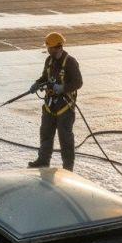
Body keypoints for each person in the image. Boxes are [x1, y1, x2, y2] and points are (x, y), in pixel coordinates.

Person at [27, 32, 83, 171]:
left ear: (57, 47)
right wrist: (37, 83)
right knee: (45, 133)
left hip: (65, 107)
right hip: (50, 105)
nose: (48, 50)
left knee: (65, 138)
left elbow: (78, 82)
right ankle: (43, 160)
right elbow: (45, 77)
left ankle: (68, 167)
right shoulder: (49, 60)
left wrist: (63, 88)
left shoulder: (70, 62)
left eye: (50, 47)